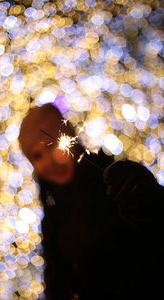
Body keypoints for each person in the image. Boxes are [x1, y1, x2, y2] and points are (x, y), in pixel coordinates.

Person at [19, 103, 164, 300]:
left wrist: (146, 199)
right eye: (37, 155)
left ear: (67, 139)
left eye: (52, 145)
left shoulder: (116, 181)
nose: (49, 162)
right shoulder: (53, 224)